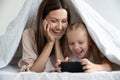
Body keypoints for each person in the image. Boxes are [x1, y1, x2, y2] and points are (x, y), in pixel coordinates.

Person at [18, 0, 72, 72]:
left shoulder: (70, 35)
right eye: (54, 21)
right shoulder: (29, 34)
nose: (59, 27)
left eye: (64, 21)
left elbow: (64, 70)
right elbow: (33, 71)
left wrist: (57, 42)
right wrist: (50, 42)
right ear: (43, 20)